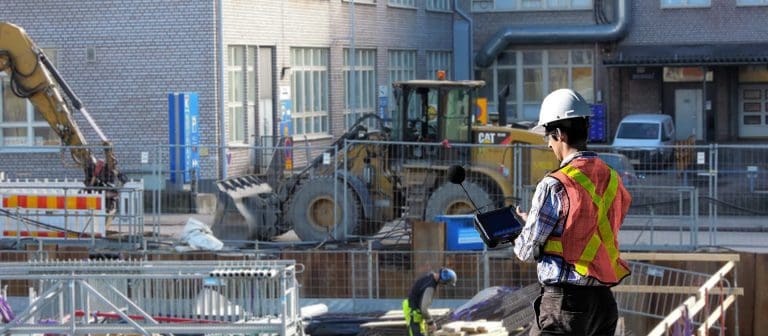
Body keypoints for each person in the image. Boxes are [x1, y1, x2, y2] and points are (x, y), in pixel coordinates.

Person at [513, 88, 632, 336]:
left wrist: (525, 230)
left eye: (549, 136)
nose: (548, 144)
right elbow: (587, 225)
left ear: (560, 134)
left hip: (565, 307)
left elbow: (525, 250)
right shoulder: (612, 178)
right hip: (603, 304)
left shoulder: (555, 184)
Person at [402, 267, 457, 336]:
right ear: (443, 280)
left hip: (414, 308)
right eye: (446, 283)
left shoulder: (430, 276)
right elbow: (424, 309)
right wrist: (431, 323)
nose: (444, 285)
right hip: (413, 310)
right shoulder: (430, 287)